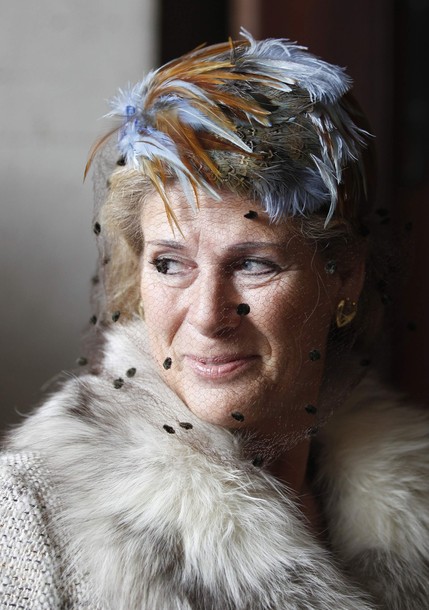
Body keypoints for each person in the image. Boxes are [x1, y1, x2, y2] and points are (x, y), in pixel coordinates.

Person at [1, 29, 428, 610]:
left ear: (344, 276)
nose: (207, 316)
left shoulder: (414, 508)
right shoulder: (29, 514)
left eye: (254, 263)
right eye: (170, 263)